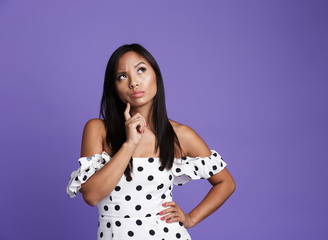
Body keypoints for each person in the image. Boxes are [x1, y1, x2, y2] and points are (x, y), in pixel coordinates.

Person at [66, 43, 236, 240]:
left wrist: (190, 219)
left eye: (141, 70)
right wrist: (129, 144)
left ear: (156, 75)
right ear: (114, 87)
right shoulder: (98, 129)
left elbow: (226, 182)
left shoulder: (179, 135)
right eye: (122, 76)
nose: (133, 82)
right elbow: (92, 196)